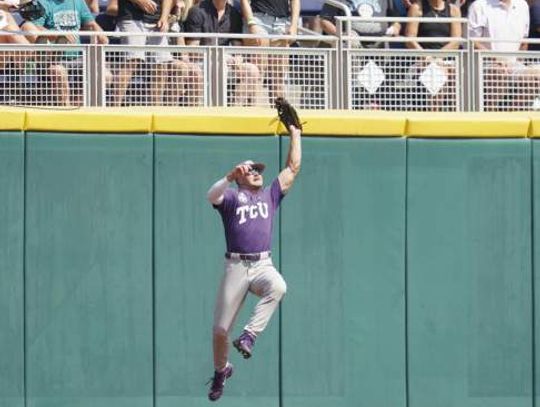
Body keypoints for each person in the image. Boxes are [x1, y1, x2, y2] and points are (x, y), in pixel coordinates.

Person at [205, 123, 302, 402]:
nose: (258, 173)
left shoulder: (270, 195)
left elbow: (292, 168)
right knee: (220, 330)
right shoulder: (233, 197)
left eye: (259, 170)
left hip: (262, 265)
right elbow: (211, 196)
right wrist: (228, 176)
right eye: (251, 170)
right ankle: (222, 370)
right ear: (240, 176)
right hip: (236, 266)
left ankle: (249, 336)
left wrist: (295, 134)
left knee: (279, 286)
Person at [184, 0, 262, 105]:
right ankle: (211, 111)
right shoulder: (197, 11)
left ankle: (235, 110)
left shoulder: (234, 14)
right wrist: (218, 56)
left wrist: (238, 59)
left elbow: (237, 49)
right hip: (202, 62)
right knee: (218, 66)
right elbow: (193, 51)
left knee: (252, 70)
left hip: (226, 62)